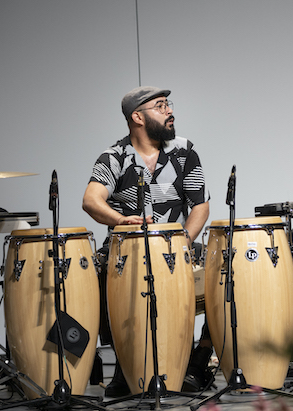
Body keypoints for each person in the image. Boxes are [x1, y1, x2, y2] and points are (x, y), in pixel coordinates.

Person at [82, 85, 214, 396]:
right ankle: (124, 367)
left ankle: (199, 359)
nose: (170, 111)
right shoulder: (114, 157)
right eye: (161, 106)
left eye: (169, 104)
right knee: (96, 272)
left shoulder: (184, 151)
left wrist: (185, 240)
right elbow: (91, 200)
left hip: (177, 246)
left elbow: (201, 205)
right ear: (137, 117)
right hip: (127, 249)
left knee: (224, 270)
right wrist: (119, 220)